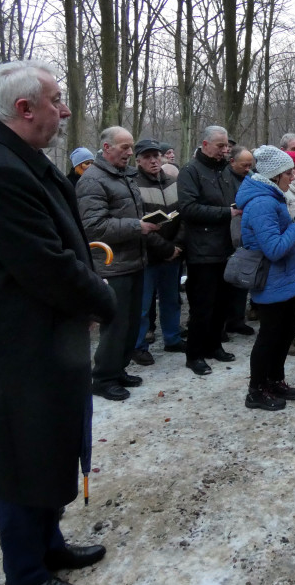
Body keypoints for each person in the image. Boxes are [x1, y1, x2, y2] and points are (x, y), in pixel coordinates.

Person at [0, 60, 116, 585]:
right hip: (20, 339)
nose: (64, 112)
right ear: (24, 109)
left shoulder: (17, 157)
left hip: (46, 333)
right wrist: (102, 299)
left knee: (50, 445)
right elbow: (44, 263)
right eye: (56, 101)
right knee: (24, 452)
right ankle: (24, 574)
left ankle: (48, 544)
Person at [77, 127, 158, 400]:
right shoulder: (92, 181)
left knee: (131, 322)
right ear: (106, 147)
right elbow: (93, 226)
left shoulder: (124, 176)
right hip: (112, 265)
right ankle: (103, 378)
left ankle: (119, 369)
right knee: (116, 325)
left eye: (130, 146)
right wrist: (137, 227)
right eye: (123, 147)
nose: (129, 152)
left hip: (134, 260)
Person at [235, 145, 295, 410]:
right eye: (288, 173)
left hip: (283, 279)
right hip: (270, 280)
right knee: (269, 336)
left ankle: (275, 380)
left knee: (287, 330)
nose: (293, 177)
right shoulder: (262, 203)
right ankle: (256, 390)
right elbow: (275, 248)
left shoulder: (273, 197)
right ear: (275, 175)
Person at [177, 125, 240, 375]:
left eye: (227, 146)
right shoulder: (190, 171)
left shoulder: (224, 170)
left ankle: (214, 345)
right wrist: (227, 213)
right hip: (202, 251)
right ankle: (194, 355)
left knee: (222, 304)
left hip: (225, 247)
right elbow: (188, 208)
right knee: (202, 306)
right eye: (220, 146)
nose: (225, 150)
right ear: (205, 145)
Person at [132, 139, 185, 364]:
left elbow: (184, 215)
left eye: (156, 156)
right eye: (147, 157)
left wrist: (177, 245)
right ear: (138, 161)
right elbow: (137, 223)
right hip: (147, 254)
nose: (153, 161)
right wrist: (164, 248)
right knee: (143, 305)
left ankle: (173, 338)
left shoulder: (173, 182)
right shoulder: (132, 184)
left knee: (171, 299)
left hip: (173, 253)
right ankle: (139, 345)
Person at [224, 145, 256, 337]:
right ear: (232, 162)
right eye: (244, 165)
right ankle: (225, 322)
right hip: (228, 233)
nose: (247, 169)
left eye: (249, 165)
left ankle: (237, 320)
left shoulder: (250, 176)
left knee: (242, 280)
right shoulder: (224, 178)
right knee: (228, 282)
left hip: (245, 233)